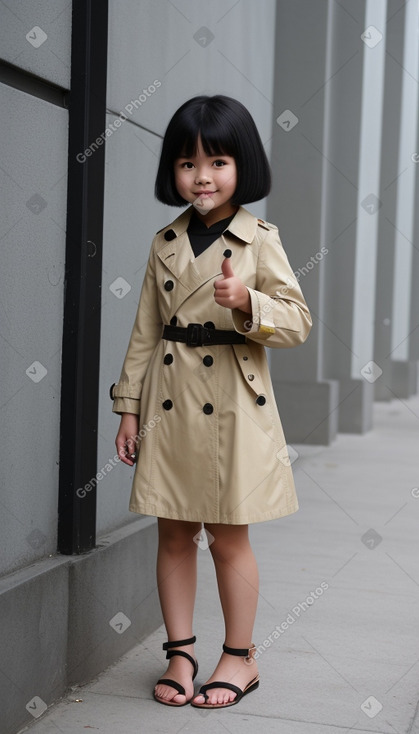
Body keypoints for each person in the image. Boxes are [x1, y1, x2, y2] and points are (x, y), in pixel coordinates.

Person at [110, 95, 312, 709]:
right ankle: (180, 652)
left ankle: (240, 656)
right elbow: (146, 329)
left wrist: (248, 301)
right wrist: (128, 407)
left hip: (232, 403)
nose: (201, 176)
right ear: (172, 172)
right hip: (170, 404)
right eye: (187, 163)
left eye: (218, 161)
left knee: (227, 537)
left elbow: (298, 321)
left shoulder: (260, 238)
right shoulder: (163, 242)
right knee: (173, 532)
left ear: (241, 166)